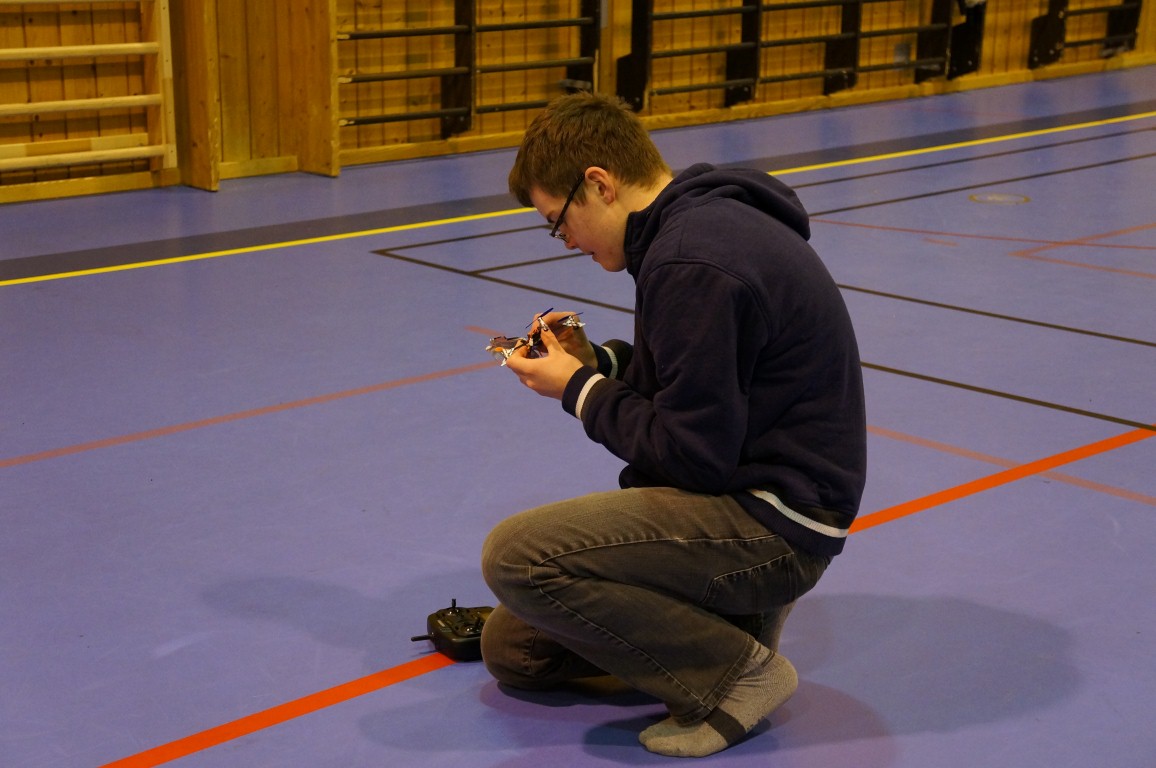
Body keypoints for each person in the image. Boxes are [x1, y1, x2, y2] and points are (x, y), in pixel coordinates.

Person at [480, 91, 866, 758]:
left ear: (598, 184)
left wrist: (577, 389)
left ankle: (733, 676)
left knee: (516, 557)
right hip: (759, 488)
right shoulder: (698, 225)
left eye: (558, 223)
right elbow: (699, 385)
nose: (566, 241)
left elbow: (690, 454)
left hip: (774, 522)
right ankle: (735, 622)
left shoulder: (691, 261)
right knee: (515, 649)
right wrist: (598, 363)